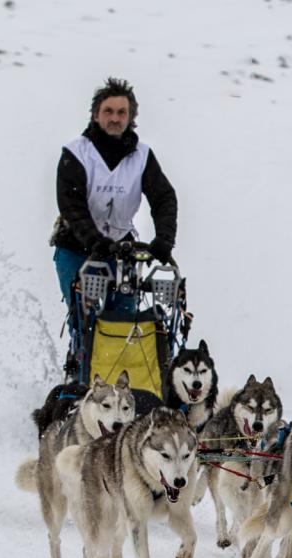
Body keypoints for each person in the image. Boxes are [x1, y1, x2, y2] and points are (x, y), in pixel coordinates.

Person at [50, 77, 178, 377]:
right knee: (86, 321)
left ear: (130, 117)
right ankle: (83, 383)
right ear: (96, 115)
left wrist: (164, 240)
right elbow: (71, 206)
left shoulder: (142, 157)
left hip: (121, 251)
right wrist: (94, 240)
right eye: (108, 111)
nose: (115, 118)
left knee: (125, 320)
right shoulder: (76, 153)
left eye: (122, 112)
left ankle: (123, 387)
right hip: (76, 249)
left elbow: (163, 197)